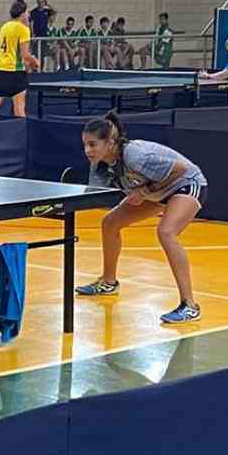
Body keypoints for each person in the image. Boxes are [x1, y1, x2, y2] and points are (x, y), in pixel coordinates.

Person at [77, 111, 208, 325]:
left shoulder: (134, 154)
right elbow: (94, 193)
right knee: (110, 222)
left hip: (187, 183)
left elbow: (180, 170)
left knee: (166, 232)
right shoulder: (100, 163)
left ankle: (190, 305)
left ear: (110, 143)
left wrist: (145, 192)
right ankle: (109, 282)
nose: (87, 150)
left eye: (93, 145)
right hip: (156, 191)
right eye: (85, 145)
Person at [0, 0, 39, 118]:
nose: (29, 15)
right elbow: (25, 55)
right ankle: (21, 134)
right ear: (22, 13)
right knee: (19, 109)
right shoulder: (23, 29)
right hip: (15, 72)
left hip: (0, 69)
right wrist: (35, 62)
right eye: (27, 12)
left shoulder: (4, 27)